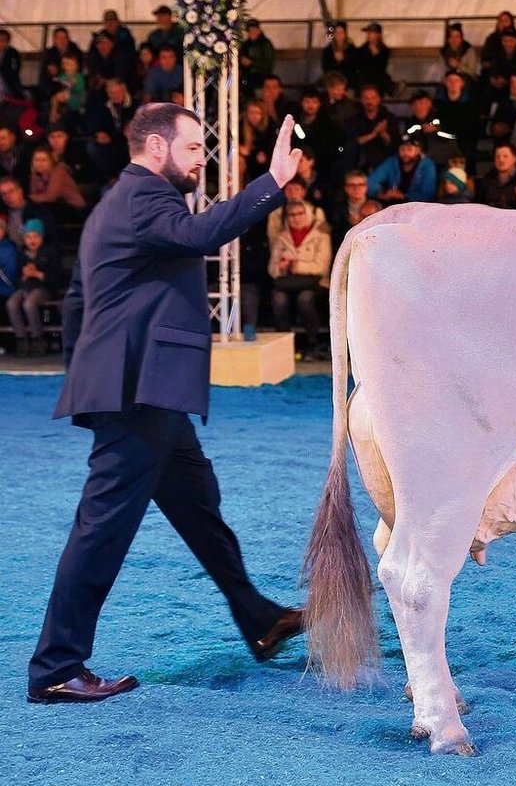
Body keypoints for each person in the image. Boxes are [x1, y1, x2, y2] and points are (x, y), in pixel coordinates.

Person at [28, 105, 304, 705]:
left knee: (199, 505)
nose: (202, 159)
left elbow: (78, 299)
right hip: (139, 390)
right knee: (102, 528)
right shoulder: (148, 198)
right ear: (156, 148)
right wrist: (272, 183)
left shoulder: (116, 202)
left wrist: (90, 375)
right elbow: (201, 235)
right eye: (193, 149)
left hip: (138, 388)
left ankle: (259, 618)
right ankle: (55, 666)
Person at [267, 198, 331, 358]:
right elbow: (272, 269)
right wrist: (281, 267)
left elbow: (322, 267)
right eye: (292, 215)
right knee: (278, 298)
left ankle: (313, 344)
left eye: (300, 214)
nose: (296, 218)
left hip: (314, 283)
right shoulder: (283, 237)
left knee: (305, 299)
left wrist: (297, 265)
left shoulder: (321, 234)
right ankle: (284, 345)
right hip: (288, 283)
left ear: (307, 213)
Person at [6, 218, 61, 356]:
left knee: (29, 304)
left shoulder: (50, 252)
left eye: (36, 236)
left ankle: (38, 338)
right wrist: (24, 276)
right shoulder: (22, 254)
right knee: (12, 303)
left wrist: (37, 274)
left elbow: (55, 278)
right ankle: (21, 338)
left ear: (41, 237)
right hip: (26, 287)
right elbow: (17, 277)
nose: (32, 240)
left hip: (43, 288)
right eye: (28, 236)